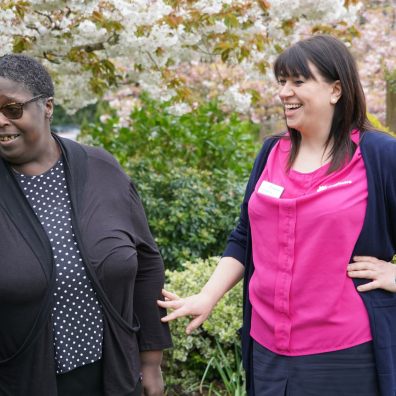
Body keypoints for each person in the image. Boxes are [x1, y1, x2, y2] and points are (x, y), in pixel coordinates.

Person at [158, 34, 396, 396]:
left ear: (336, 90)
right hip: (267, 345)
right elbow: (244, 236)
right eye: (282, 82)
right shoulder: (272, 152)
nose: (285, 92)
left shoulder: (379, 155)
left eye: (299, 81)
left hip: (345, 352)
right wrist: (208, 295)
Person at [0, 54, 172, 396]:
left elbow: (146, 263)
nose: (1, 121)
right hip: (22, 379)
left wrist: (151, 362)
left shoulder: (101, 169)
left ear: (47, 107)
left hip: (114, 374)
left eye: (12, 109)